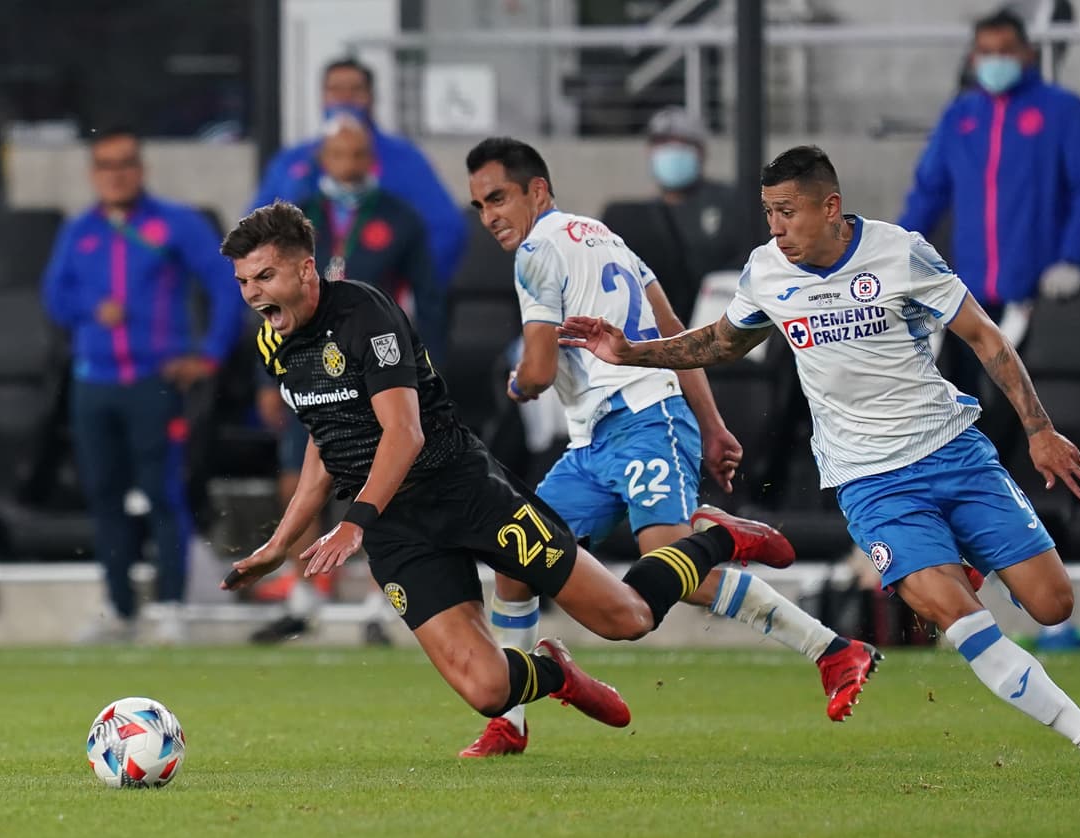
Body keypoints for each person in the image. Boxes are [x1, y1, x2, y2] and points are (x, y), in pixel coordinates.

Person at [559, 145, 1080, 779]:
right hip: (870, 482)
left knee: (1054, 605)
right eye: (767, 213)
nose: (775, 228)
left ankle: (956, 555)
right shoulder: (767, 271)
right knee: (958, 618)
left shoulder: (899, 252)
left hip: (953, 452)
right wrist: (630, 351)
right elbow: (722, 342)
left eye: (786, 212)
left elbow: (984, 336)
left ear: (829, 207)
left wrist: (1040, 430)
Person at [219, 201, 798, 742]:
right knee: (488, 690)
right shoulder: (275, 342)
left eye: (264, 277)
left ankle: (722, 536)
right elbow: (328, 436)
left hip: (464, 492)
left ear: (306, 269)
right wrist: (278, 545)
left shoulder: (365, 315)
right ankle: (556, 675)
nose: (252, 294)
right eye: (244, 281)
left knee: (627, 619)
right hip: (398, 528)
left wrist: (353, 524)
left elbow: (405, 432)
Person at [458, 136, 882, 758]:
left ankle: (831, 647)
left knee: (668, 567)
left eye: (498, 198)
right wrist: (712, 425)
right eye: (479, 206)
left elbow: (540, 371)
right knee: (516, 564)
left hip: (646, 420)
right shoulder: (605, 237)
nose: (491, 214)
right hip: (597, 437)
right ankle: (511, 723)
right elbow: (674, 331)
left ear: (537, 192)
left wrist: (518, 382)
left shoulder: (536, 253)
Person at [42, 126, 245, 644]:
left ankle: (172, 606)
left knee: (163, 493)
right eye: (106, 165)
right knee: (105, 496)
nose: (117, 174)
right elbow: (54, 300)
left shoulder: (174, 223)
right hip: (95, 383)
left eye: (126, 163)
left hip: (153, 383)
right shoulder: (80, 230)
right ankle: (119, 608)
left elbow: (226, 284)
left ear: (141, 169)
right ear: (94, 174)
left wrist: (210, 355)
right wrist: (92, 310)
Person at [249, 114, 443, 644]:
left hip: (379, 368)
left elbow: (429, 299)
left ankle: (383, 604)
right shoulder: (299, 220)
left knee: (388, 478)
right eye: (339, 157)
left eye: (357, 156)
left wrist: (430, 369)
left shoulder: (400, 219)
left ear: (369, 161)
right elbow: (266, 303)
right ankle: (304, 595)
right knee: (297, 478)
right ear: (322, 162)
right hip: (309, 366)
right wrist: (266, 381)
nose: (349, 167)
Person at [898, 9, 1080, 394]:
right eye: (986, 51)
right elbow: (928, 192)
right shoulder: (959, 116)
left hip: (1039, 293)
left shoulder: (1062, 111)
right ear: (973, 58)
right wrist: (896, 249)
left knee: (1025, 408)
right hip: (969, 295)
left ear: (1028, 53)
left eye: (1005, 50)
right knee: (968, 405)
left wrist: (1072, 260)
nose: (995, 60)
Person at [251, 57, 465, 287]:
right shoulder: (291, 162)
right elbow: (255, 234)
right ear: (322, 98)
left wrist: (417, 283)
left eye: (355, 90)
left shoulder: (404, 159)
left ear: (372, 98)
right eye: (335, 90)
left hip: (382, 298)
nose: (344, 99)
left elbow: (447, 229)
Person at [602, 107, 745, 324]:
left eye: (681, 144)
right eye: (662, 144)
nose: (670, 151)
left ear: (701, 152)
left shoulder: (729, 204)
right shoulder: (636, 218)